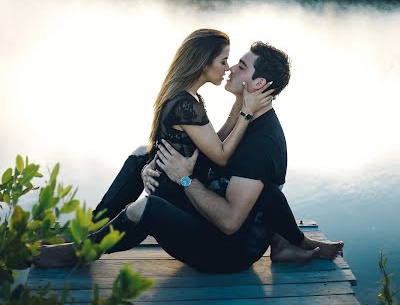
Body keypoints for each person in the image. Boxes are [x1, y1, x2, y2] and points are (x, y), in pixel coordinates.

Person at [34, 35, 343, 270]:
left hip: (227, 253)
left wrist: (183, 180)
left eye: (241, 66)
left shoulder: (261, 144)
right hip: (222, 225)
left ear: (259, 83)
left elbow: (230, 222)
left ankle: (81, 252)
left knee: (149, 208)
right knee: (143, 156)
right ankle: (90, 229)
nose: (232, 67)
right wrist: (152, 164)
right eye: (230, 61)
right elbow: (214, 151)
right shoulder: (249, 118)